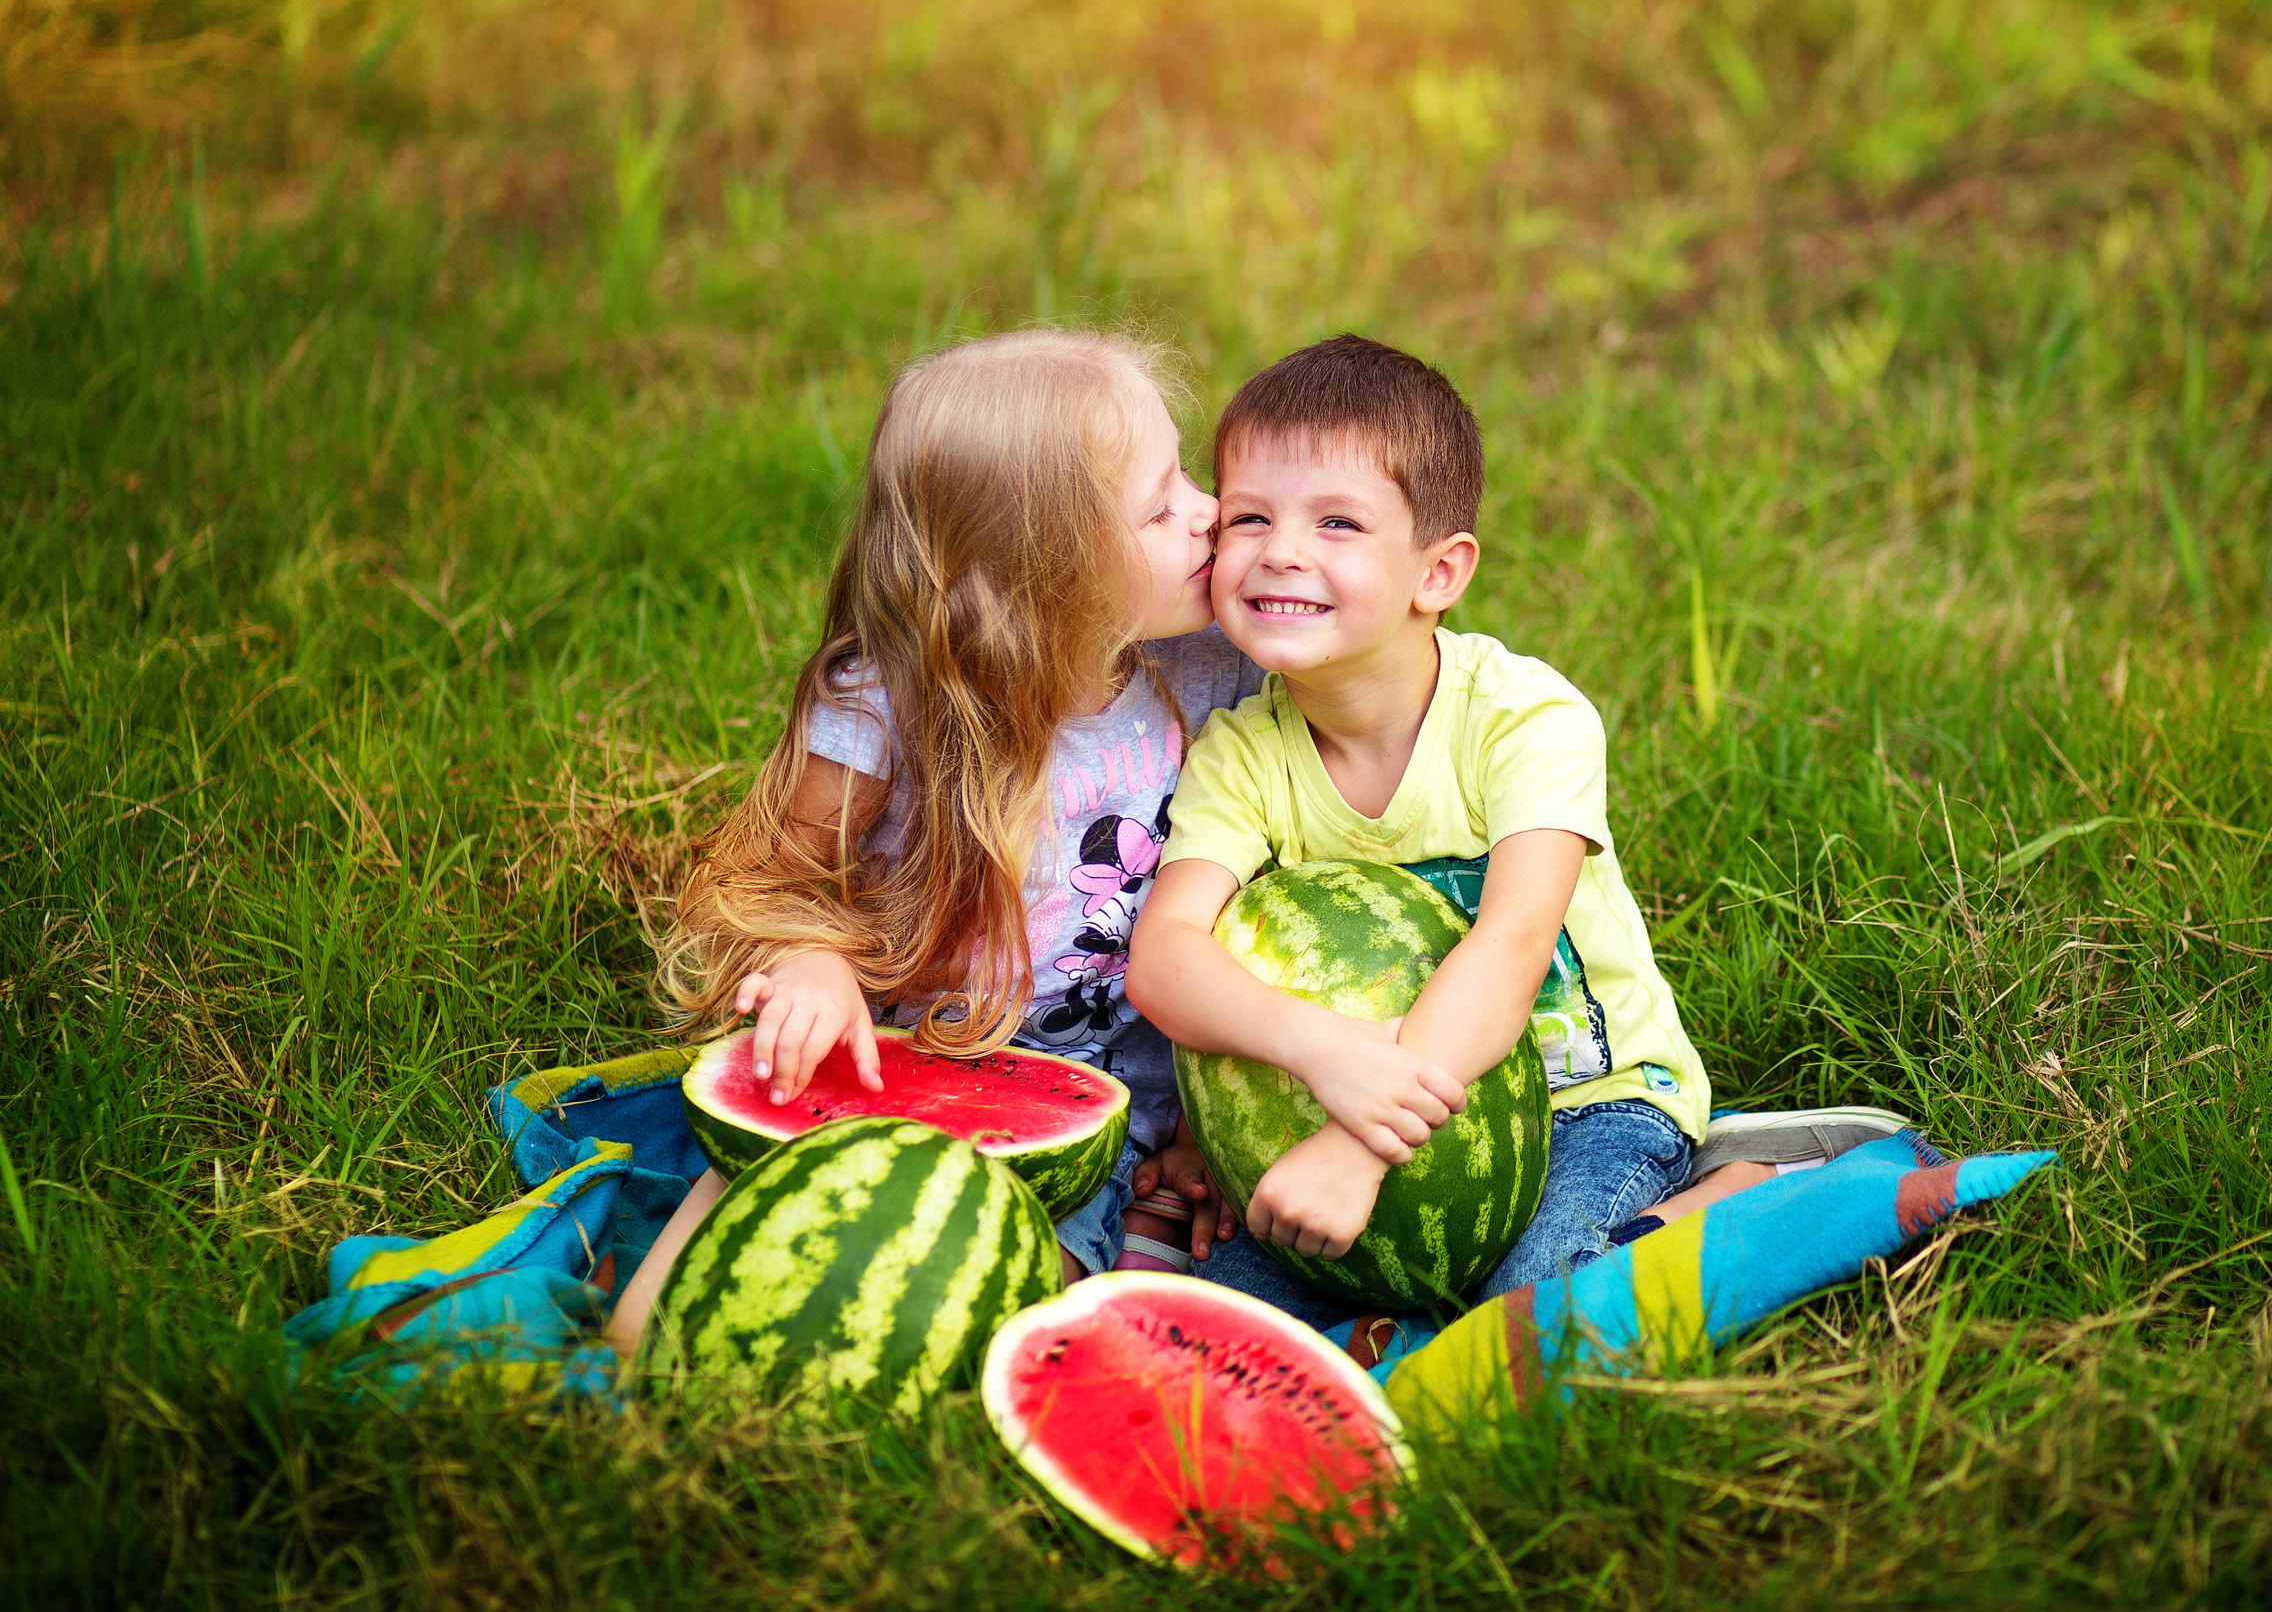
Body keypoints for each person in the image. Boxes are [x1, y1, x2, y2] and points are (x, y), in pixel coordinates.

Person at [1127, 335, 1872, 1331]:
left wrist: (1359, 1146)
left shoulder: (1525, 719)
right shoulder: (1242, 753)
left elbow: (1513, 944)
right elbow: (1168, 956)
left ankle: (1741, 1193)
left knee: (1537, 1300)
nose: (1281, 550)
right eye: (1250, 516)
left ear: (1438, 573)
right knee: (1219, 1312)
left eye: (1337, 522)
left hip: (1588, 1108)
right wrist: (1306, 1064)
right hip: (1352, 1096)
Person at [604, 329, 1253, 1356]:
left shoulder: (1216, 671)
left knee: (1023, 1309)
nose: (1208, 510)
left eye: (1187, 478)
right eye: (1162, 502)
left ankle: (1119, 1240)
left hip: (1106, 1117)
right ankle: (629, 1366)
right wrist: (811, 963)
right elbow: (778, 879)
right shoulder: (887, 711)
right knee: (691, 1264)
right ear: (1045, 576)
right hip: (893, 1067)